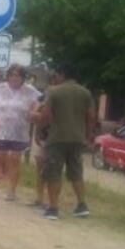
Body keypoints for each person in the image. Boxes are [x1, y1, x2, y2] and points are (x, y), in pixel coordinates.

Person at [40, 62, 95, 220]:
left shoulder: (54, 92)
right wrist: (87, 136)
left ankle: (53, 208)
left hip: (57, 138)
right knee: (76, 173)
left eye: (57, 75)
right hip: (77, 139)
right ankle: (82, 205)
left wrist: (40, 131)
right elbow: (91, 117)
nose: (55, 78)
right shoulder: (85, 92)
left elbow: (46, 115)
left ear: (62, 75)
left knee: (54, 173)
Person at [0, 64, 40, 201]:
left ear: (23, 77)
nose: (14, 78)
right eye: (11, 75)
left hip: (20, 130)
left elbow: (37, 103)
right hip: (2, 129)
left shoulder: (29, 90)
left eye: (17, 75)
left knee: (15, 160)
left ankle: (11, 191)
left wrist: (33, 111)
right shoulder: (0, 88)